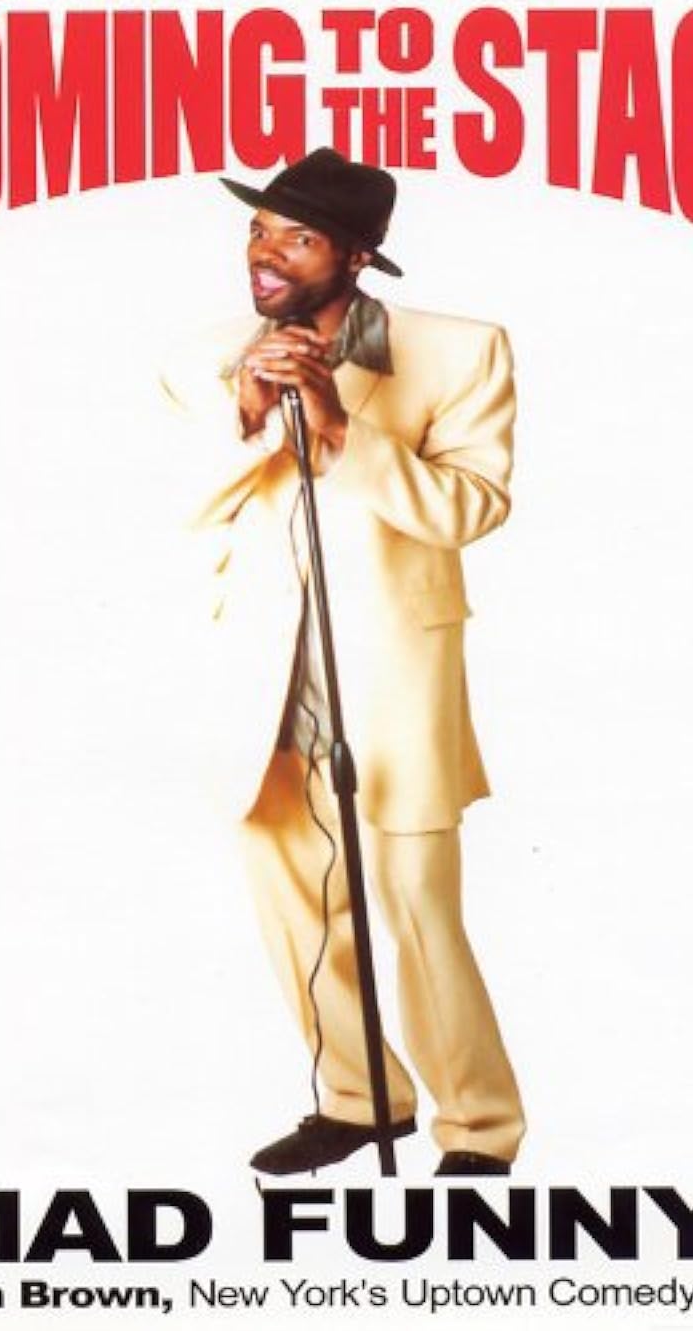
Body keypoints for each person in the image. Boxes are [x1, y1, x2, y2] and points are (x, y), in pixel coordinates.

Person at [159, 148, 525, 1176]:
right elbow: (182, 505)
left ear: (358, 256)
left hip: (391, 676)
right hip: (265, 679)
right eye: (259, 229)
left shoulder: (461, 351)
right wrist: (248, 414)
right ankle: (358, 1101)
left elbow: (473, 507)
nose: (266, 254)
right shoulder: (204, 357)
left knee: (416, 907)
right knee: (295, 905)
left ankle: (479, 1127)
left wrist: (339, 427)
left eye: (300, 237)